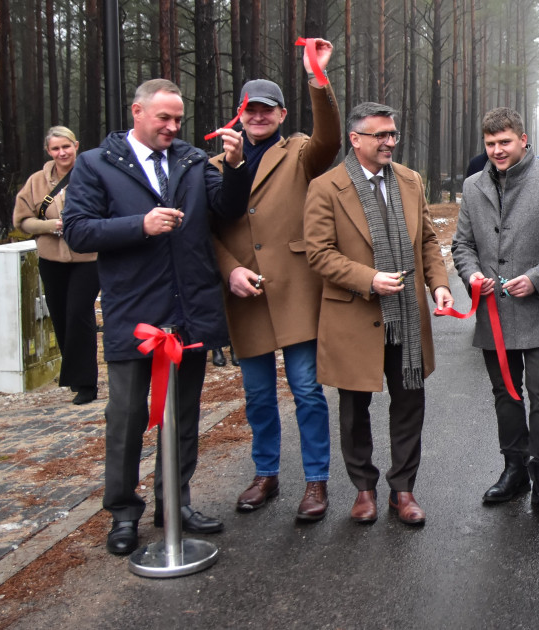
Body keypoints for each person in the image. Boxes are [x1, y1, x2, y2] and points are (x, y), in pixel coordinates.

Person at [62, 78, 250, 555]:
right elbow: (78, 232)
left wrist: (233, 165)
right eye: (163, 118)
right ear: (137, 112)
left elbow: (227, 209)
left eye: (178, 120)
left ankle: (175, 503)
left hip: (188, 312)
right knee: (125, 416)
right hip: (134, 313)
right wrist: (139, 225)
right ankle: (124, 513)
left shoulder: (190, 161)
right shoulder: (96, 164)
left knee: (183, 416)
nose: (172, 127)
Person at [303, 101, 452, 526]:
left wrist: (438, 285)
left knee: (410, 403)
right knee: (354, 409)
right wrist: (368, 279)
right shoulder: (327, 187)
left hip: (407, 313)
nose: (390, 142)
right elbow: (319, 254)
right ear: (355, 139)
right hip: (354, 315)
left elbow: (426, 240)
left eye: (393, 134)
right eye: (380, 135)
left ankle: (402, 490)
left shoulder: (409, 180)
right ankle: (363, 490)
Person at [209, 39, 341, 520]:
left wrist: (317, 77)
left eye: (268, 110)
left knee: (306, 389)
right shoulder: (216, 164)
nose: (259, 117)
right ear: (239, 113)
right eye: (251, 109)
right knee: (258, 394)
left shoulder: (301, 151)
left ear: (282, 115)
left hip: (296, 289)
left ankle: (316, 481)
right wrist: (230, 271)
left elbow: (330, 137)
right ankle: (265, 473)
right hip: (246, 294)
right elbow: (209, 230)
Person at [452, 107, 539, 511]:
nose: (497, 150)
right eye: (490, 144)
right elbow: (462, 244)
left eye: (504, 142)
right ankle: (514, 468)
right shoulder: (473, 186)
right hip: (494, 312)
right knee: (505, 394)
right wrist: (471, 276)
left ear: (524, 139)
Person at [13, 126, 99, 406]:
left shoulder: (93, 173)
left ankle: (86, 383)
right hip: (52, 259)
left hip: (88, 258)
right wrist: (49, 225)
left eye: (66, 146)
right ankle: (75, 377)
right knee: (60, 316)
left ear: (76, 145)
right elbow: (22, 220)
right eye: (55, 149)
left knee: (78, 313)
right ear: (48, 151)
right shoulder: (37, 181)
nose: (62, 153)